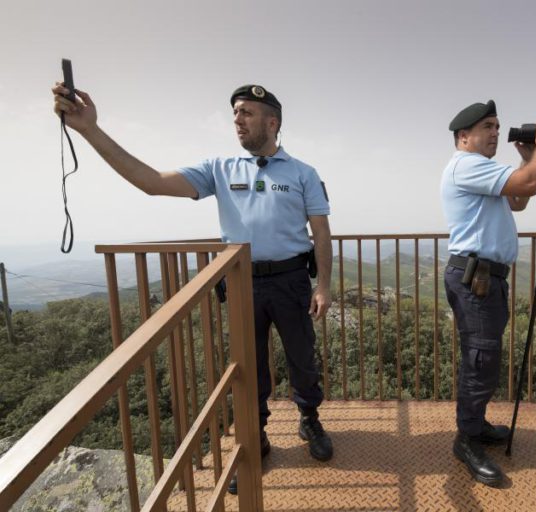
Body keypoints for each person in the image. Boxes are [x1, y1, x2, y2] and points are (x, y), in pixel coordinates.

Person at [52, 82, 335, 493]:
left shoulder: (303, 173)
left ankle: (309, 419)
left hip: (292, 281)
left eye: (247, 112)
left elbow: (321, 233)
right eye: (235, 112)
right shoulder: (219, 168)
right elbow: (149, 181)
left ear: (272, 122)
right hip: (241, 282)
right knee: (247, 367)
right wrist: (89, 130)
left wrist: (322, 286)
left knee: (303, 359)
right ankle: (255, 439)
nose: (237, 119)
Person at [441, 99, 536, 487]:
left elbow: (519, 199)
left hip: (487, 279)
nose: (495, 132)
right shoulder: (466, 164)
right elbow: (530, 183)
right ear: (464, 137)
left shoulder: (482, 169)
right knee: (481, 361)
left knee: (485, 360)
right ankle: (467, 439)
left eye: (497, 125)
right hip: (475, 279)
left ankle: (474, 426)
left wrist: (529, 158)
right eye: (487, 126)